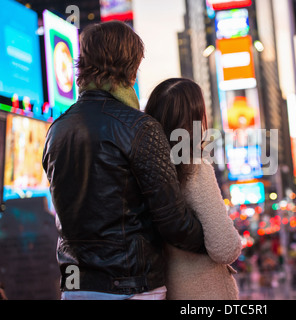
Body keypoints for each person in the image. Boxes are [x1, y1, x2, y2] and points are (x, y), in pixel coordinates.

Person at [42, 22, 206, 300]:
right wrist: (213, 243)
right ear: (131, 68)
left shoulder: (56, 130)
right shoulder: (139, 127)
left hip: (76, 287)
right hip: (131, 287)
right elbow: (173, 221)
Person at [145, 78, 242, 300]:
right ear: (194, 121)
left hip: (165, 288)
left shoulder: (140, 167)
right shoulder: (194, 169)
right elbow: (225, 247)